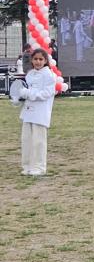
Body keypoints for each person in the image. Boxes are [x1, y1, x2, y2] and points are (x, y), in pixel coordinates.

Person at [16, 48, 56, 176]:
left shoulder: (49, 75)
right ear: (32, 60)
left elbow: (46, 93)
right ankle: (27, 166)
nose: (38, 62)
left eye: (40, 59)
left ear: (45, 61)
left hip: (40, 112)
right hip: (28, 111)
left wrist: (28, 94)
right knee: (26, 140)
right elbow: (25, 90)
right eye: (35, 59)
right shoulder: (30, 74)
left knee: (38, 141)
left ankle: (39, 167)